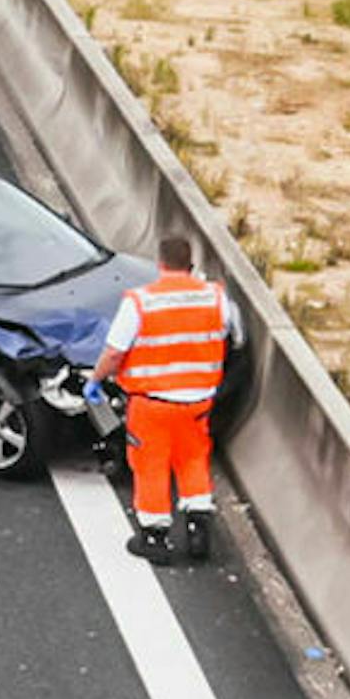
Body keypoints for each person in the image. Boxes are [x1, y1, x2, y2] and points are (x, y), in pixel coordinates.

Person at [88, 234, 228, 566]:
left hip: (152, 403)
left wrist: (95, 381)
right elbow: (226, 335)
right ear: (190, 265)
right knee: (192, 459)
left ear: (160, 265)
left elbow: (113, 353)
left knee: (150, 465)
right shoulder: (215, 297)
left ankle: (155, 536)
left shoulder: (140, 302)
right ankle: (198, 522)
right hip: (198, 401)